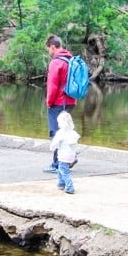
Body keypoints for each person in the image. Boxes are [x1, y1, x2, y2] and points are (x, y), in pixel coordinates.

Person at [44, 34, 76, 173]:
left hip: (58, 103)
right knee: (66, 130)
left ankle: (57, 164)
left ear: (52, 47)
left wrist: (49, 103)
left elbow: (53, 86)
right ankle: (70, 157)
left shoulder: (56, 62)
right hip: (70, 101)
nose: (49, 53)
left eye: (48, 50)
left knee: (56, 133)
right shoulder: (70, 59)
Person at [50, 111, 80, 194]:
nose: (58, 124)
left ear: (62, 123)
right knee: (61, 168)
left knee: (64, 171)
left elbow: (55, 142)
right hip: (71, 155)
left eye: (59, 122)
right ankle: (61, 183)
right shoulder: (73, 133)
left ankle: (70, 187)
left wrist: (52, 147)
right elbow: (75, 144)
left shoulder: (61, 133)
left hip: (63, 155)